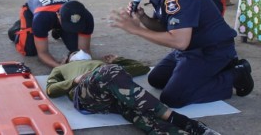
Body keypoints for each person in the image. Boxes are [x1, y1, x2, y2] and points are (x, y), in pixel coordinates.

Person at [109, 0, 254, 108]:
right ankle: (205, 73)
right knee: (156, 79)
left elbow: (179, 42)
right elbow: (165, 27)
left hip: (211, 50)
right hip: (191, 48)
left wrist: (136, 30)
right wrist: (143, 18)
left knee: (172, 98)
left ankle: (234, 76)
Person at [47, 52, 221, 135]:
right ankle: (183, 121)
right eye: (75, 53)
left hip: (115, 94)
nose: (80, 53)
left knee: (139, 114)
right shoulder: (61, 68)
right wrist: (74, 80)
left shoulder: (99, 62)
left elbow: (142, 68)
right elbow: (51, 89)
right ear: (68, 58)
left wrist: (118, 60)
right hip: (88, 94)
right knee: (110, 72)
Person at [8, 0, 94, 68]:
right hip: (35, 12)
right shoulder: (41, 18)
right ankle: (20, 28)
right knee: (29, 49)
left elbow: (84, 50)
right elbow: (42, 53)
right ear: (58, 16)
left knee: (76, 50)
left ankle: (59, 29)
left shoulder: (87, 17)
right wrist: (59, 67)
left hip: (55, 16)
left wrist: (82, 59)